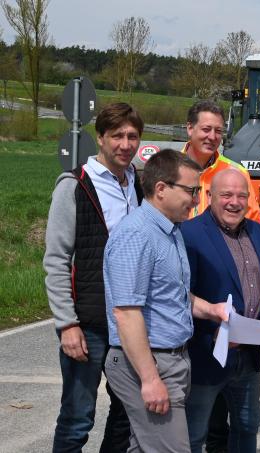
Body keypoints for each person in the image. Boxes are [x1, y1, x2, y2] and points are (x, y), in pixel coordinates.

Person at [103, 149, 229, 451]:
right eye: (191, 190)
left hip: (170, 360)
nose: (197, 199)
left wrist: (210, 309)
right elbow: (126, 313)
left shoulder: (169, 231)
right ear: (161, 189)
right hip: (149, 363)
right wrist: (149, 379)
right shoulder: (137, 235)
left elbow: (170, 294)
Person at [44, 102, 143, 452]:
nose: (125, 144)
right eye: (117, 136)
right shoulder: (74, 185)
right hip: (87, 325)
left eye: (132, 136)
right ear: (100, 138)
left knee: (128, 412)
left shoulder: (139, 184)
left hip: (129, 323)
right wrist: (66, 324)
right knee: (77, 418)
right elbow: (56, 261)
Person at [180, 168, 260, 453]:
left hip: (247, 358)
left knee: (247, 427)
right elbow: (179, 296)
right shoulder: (190, 234)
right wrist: (214, 333)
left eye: (241, 195)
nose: (234, 202)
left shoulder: (257, 231)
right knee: (194, 434)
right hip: (206, 354)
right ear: (209, 196)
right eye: (226, 195)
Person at [182, 99, 260, 222]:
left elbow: (252, 222)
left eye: (218, 131)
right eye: (206, 129)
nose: (213, 137)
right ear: (190, 128)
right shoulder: (167, 168)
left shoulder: (237, 173)